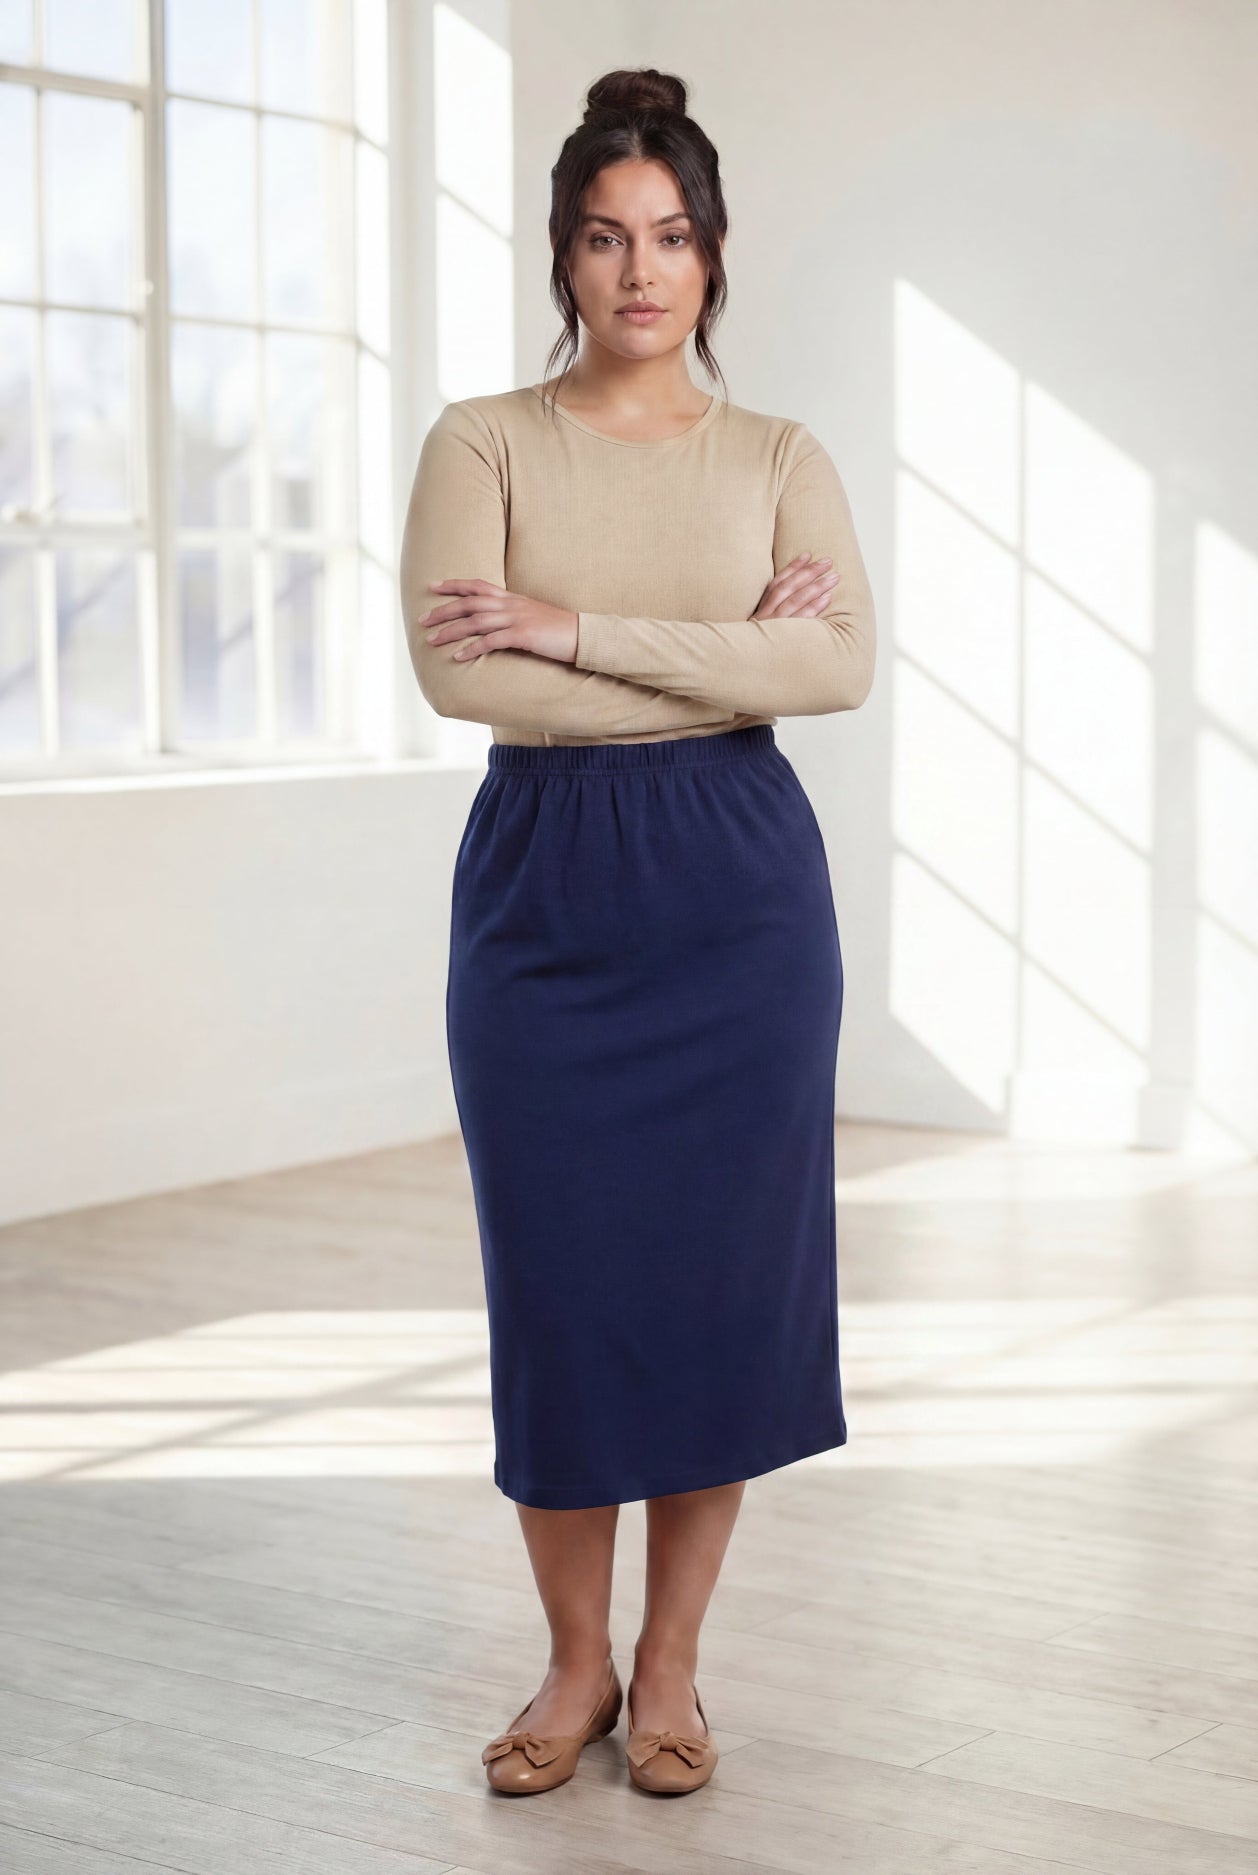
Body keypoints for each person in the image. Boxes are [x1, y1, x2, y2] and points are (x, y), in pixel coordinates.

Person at [398, 65, 876, 1798]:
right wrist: (707, 653)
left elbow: (831, 668)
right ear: (563, 257)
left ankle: (670, 1671)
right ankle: (570, 1663)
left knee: (711, 1294)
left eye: (669, 236)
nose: (639, 271)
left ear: (714, 251)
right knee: (564, 1287)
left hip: (738, 900)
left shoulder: (777, 455)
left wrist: (576, 628)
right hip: (544, 894)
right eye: (604, 238)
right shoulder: (482, 441)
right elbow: (464, 675)